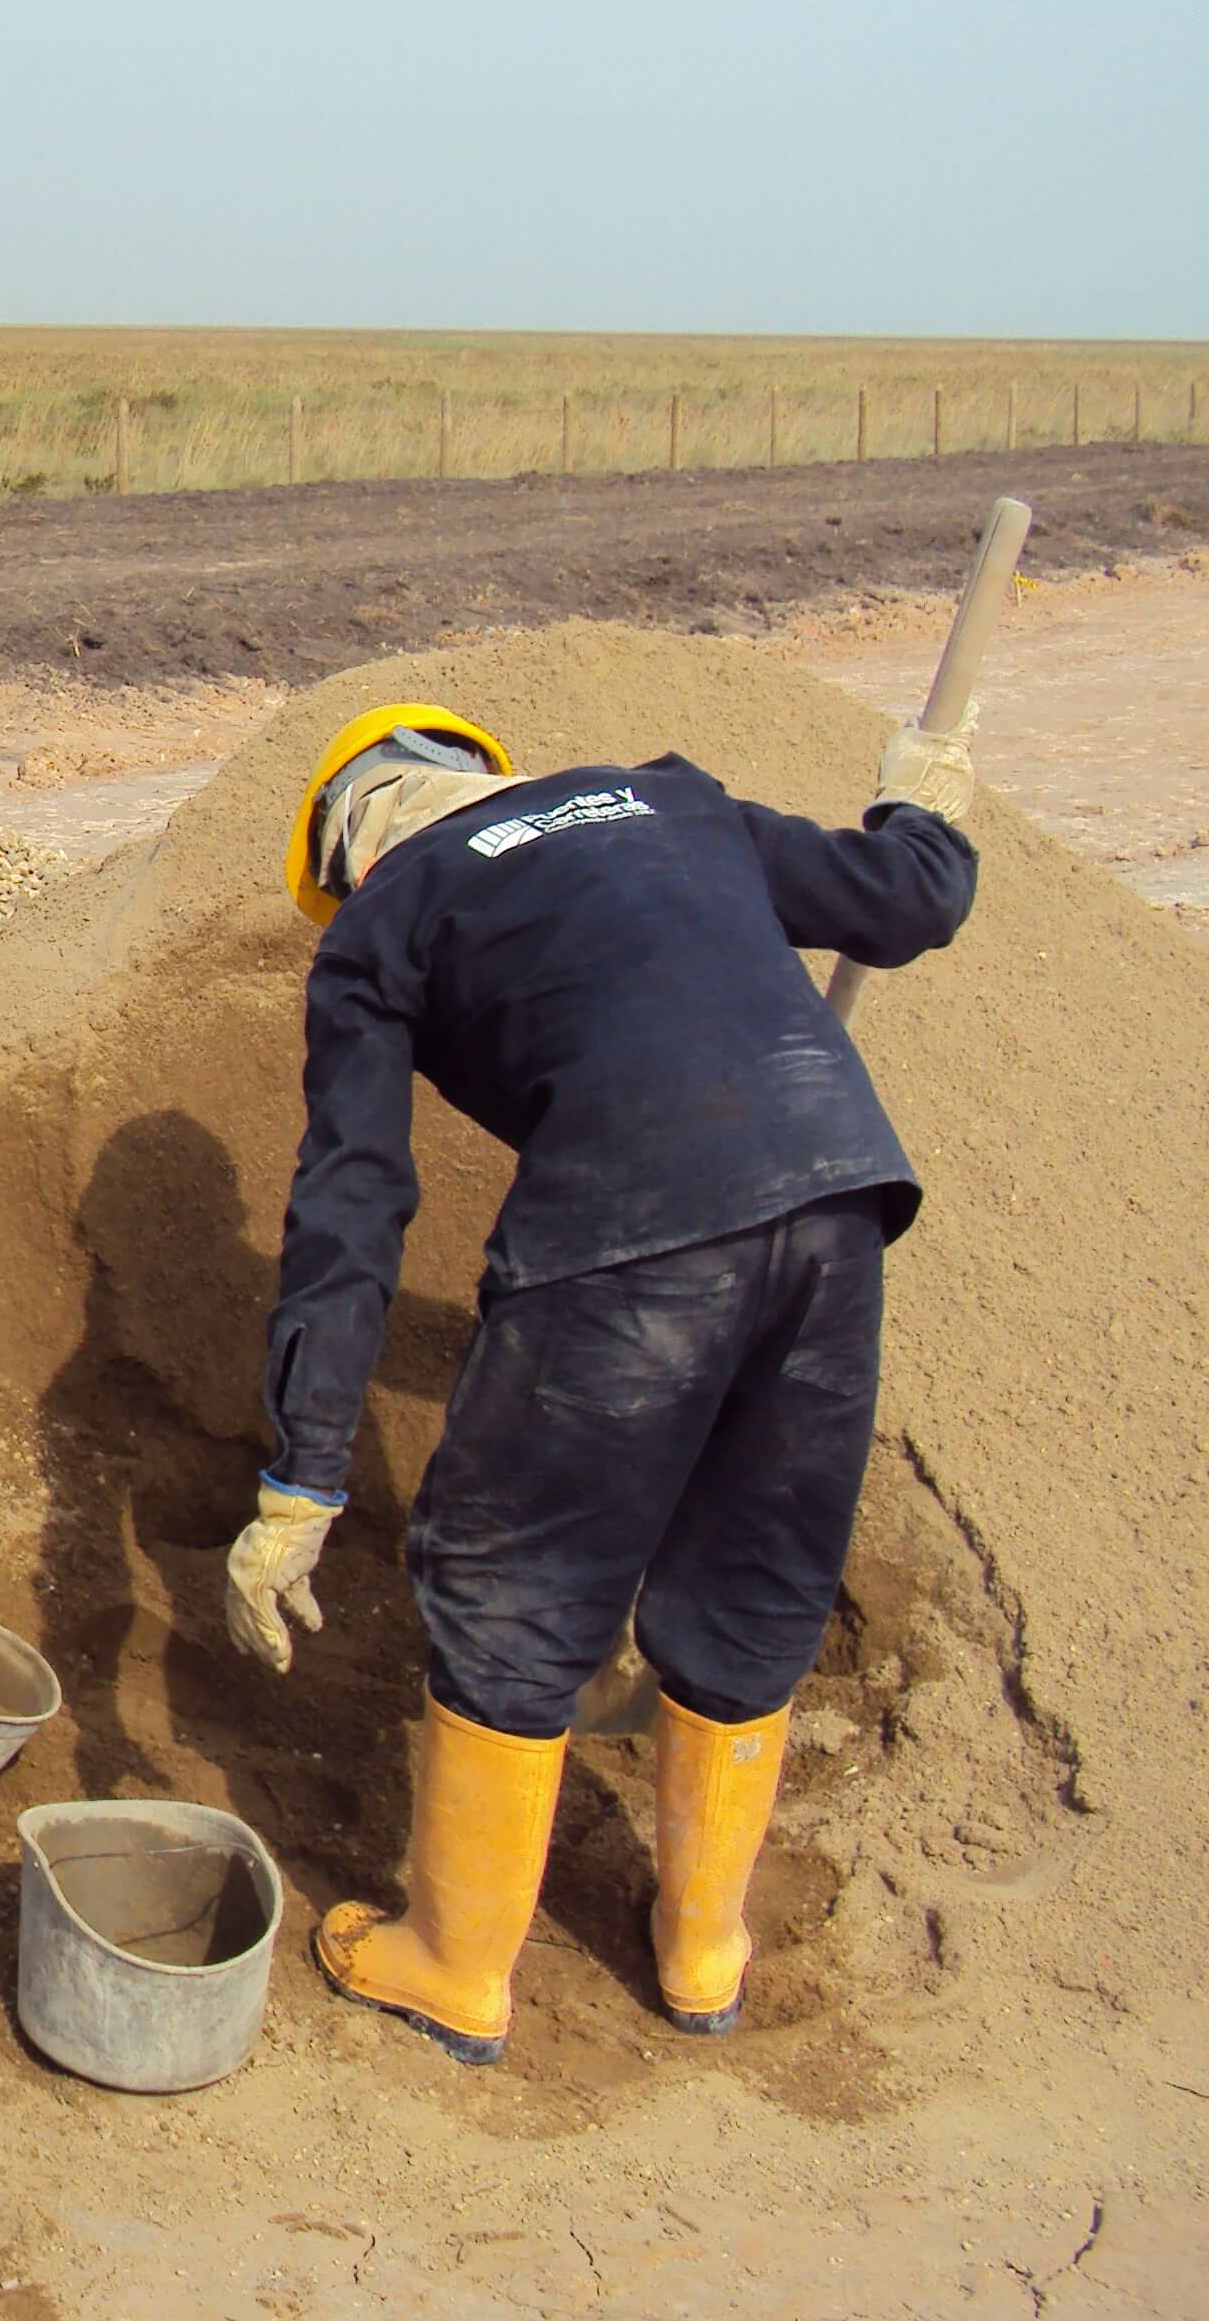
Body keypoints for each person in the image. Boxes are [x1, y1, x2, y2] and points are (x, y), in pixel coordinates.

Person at [223, 698, 980, 2064]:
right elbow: (911, 901)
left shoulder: (384, 926)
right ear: (476, 773)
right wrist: (922, 804)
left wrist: (303, 1476)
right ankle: (703, 1952)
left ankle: (454, 1967)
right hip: (840, 1195)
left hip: (629, 1221)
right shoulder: (671, 804)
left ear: (347, 858)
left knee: (510, 1577)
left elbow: (352, 1211)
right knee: (754, 1570)